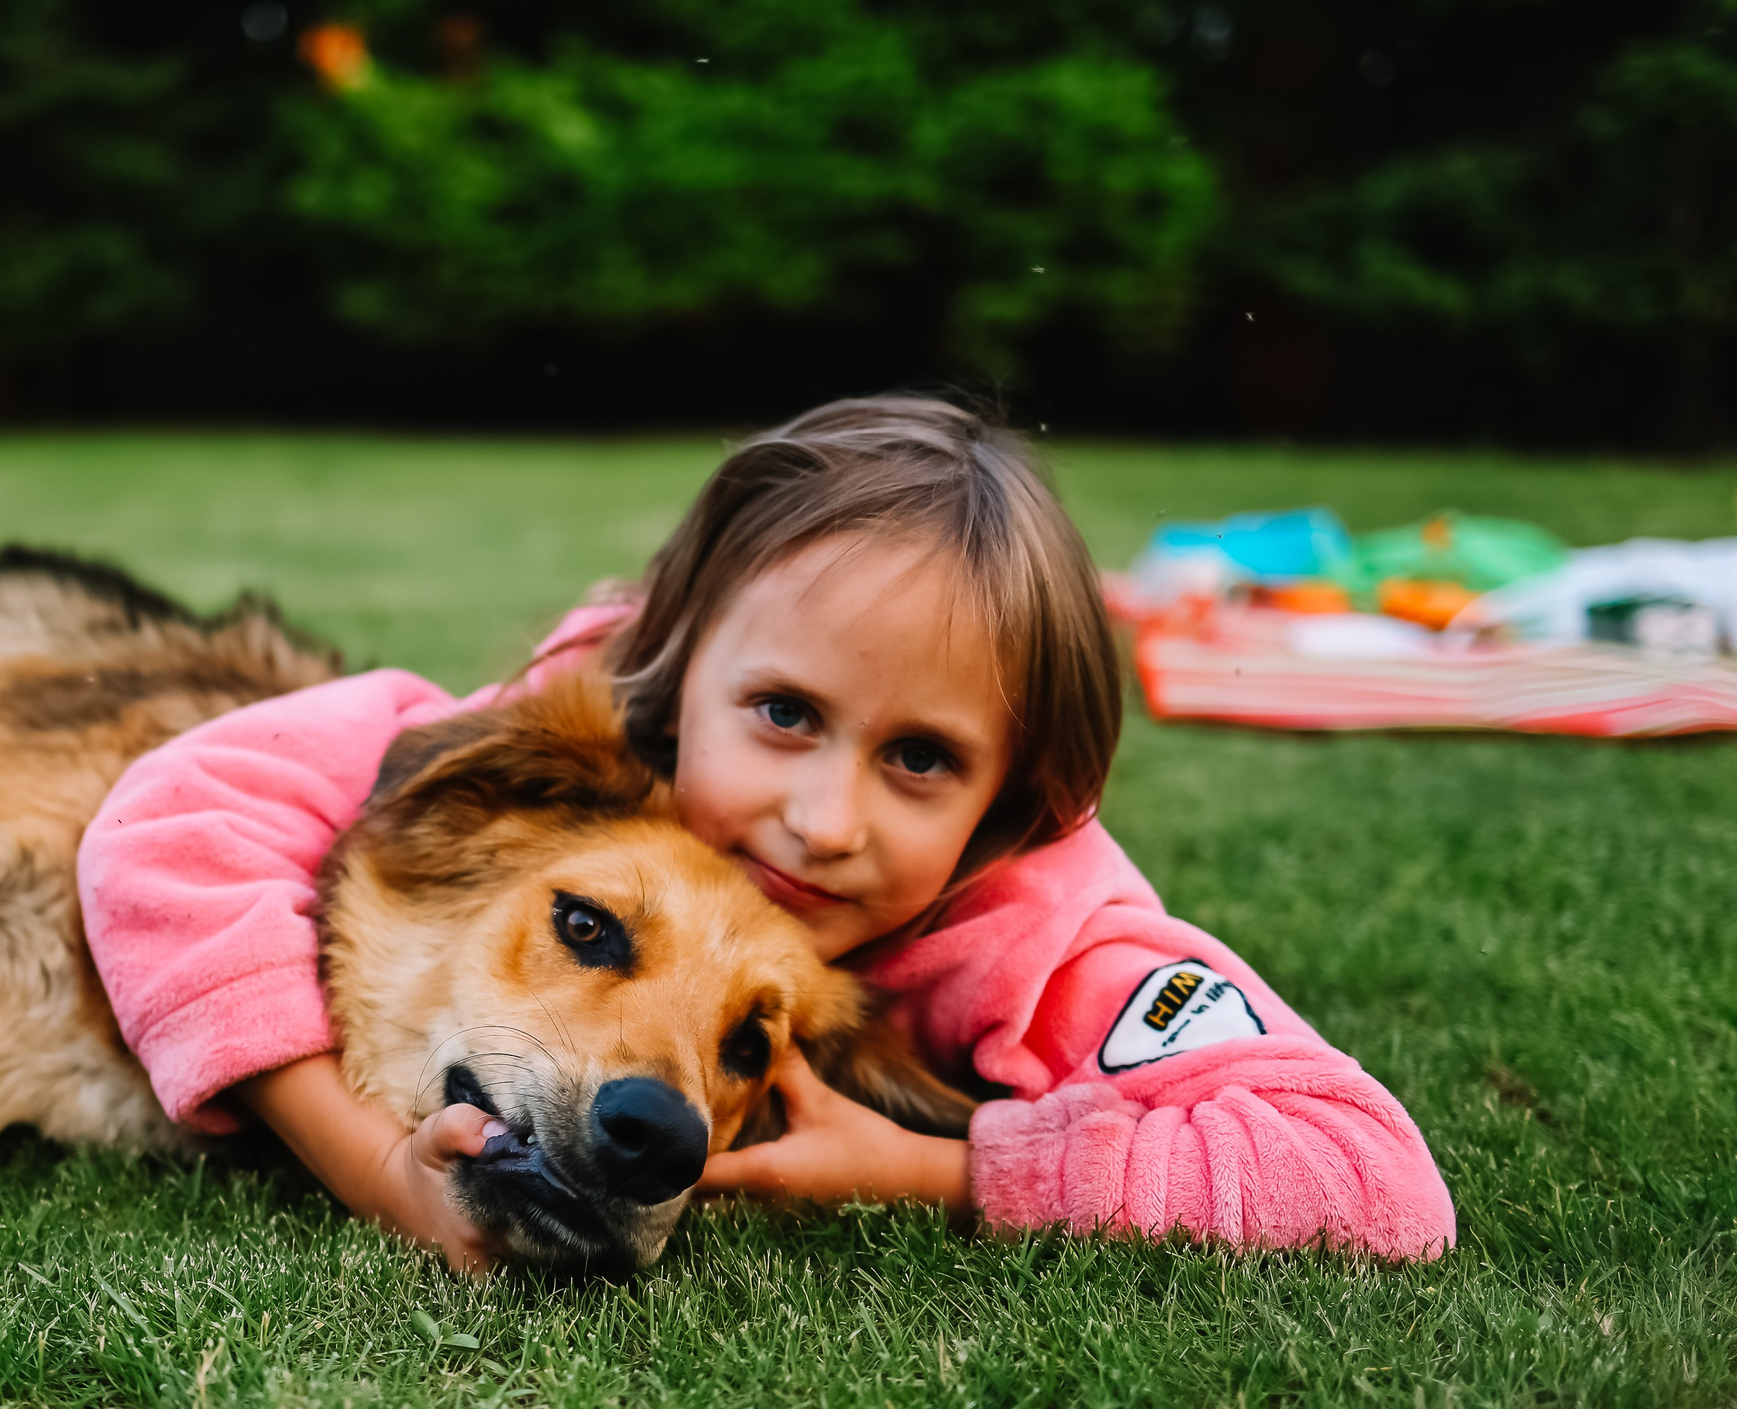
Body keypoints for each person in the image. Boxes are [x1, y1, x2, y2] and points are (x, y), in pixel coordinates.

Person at [77, 396, 1458, 1270]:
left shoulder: (1051, 942)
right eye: (786, 712)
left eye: (922, 758)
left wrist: (946, 1168)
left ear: (1007, 810)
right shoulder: (586, 740)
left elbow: (1373, 1181)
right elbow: (170, 823)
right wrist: (371, 1163)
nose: (821, 819)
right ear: (680, 683)